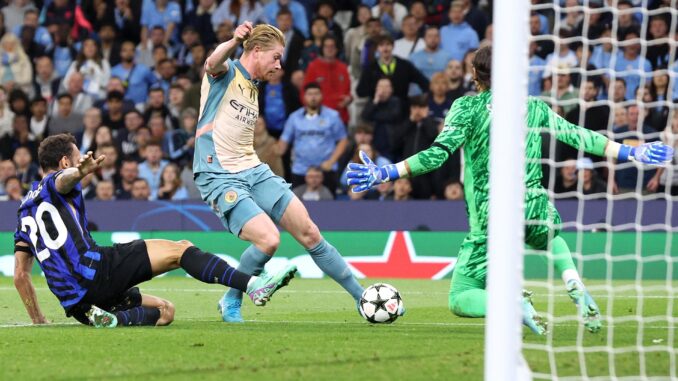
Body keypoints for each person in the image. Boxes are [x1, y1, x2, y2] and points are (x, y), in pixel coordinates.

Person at [346, 46, 674, 335]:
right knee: (549, 237)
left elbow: (437, 155)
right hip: (534, 205)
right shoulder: (533, 106)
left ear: (475, 73)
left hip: (492, 215)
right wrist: (632, 152)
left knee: (461, 295)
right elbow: (579, 136)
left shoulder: (466, 108)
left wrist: (387, 171)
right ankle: (573, 282)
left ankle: (510, 306)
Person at [13, 134, 298, 328]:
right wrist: (80, 172)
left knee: (165, 312)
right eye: (76, 157)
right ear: (64, 161)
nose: (80, 160)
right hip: (96, 271)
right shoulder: (59, 181)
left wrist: (38, 319)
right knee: (182, 250)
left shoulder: (24, 211)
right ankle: (253, 286)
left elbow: (20, 276)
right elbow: (61, 182)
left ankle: (110, 318)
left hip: (76, 303)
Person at [197, 22, 375, 323]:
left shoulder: (253, 86)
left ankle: (363, 299)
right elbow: (211, 62)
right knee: (268, 240)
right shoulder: (225, 74)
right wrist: (231, 40)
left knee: (310, 232)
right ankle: (232, 299)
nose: (279, 65)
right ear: (255, 50)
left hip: (253, 169)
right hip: (219, 174)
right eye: (276, 57)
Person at [277, 82, 348, 194]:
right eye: (310, 94)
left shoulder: (332, 116)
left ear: (322, 96)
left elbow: (343, 140)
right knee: (298, 207)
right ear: (304, 97)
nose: (313, 97)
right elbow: (284, 141)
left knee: (330, 207)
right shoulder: (294, 117)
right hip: (301, 169)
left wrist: (332, 161)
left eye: (316, 94)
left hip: (326, 169)